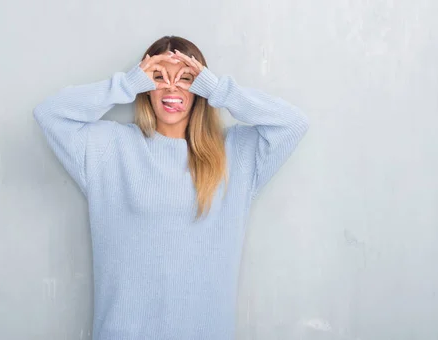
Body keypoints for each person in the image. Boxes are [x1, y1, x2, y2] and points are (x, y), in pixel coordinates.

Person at [33, 35, 309, 340]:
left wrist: (217, 90)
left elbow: (292, 124)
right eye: (158, 76)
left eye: (186, 78)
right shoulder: (109, 148)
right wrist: (126, 84)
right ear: (145, 87)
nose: (171, 86)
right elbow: (50, 114)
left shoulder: (234, 154)